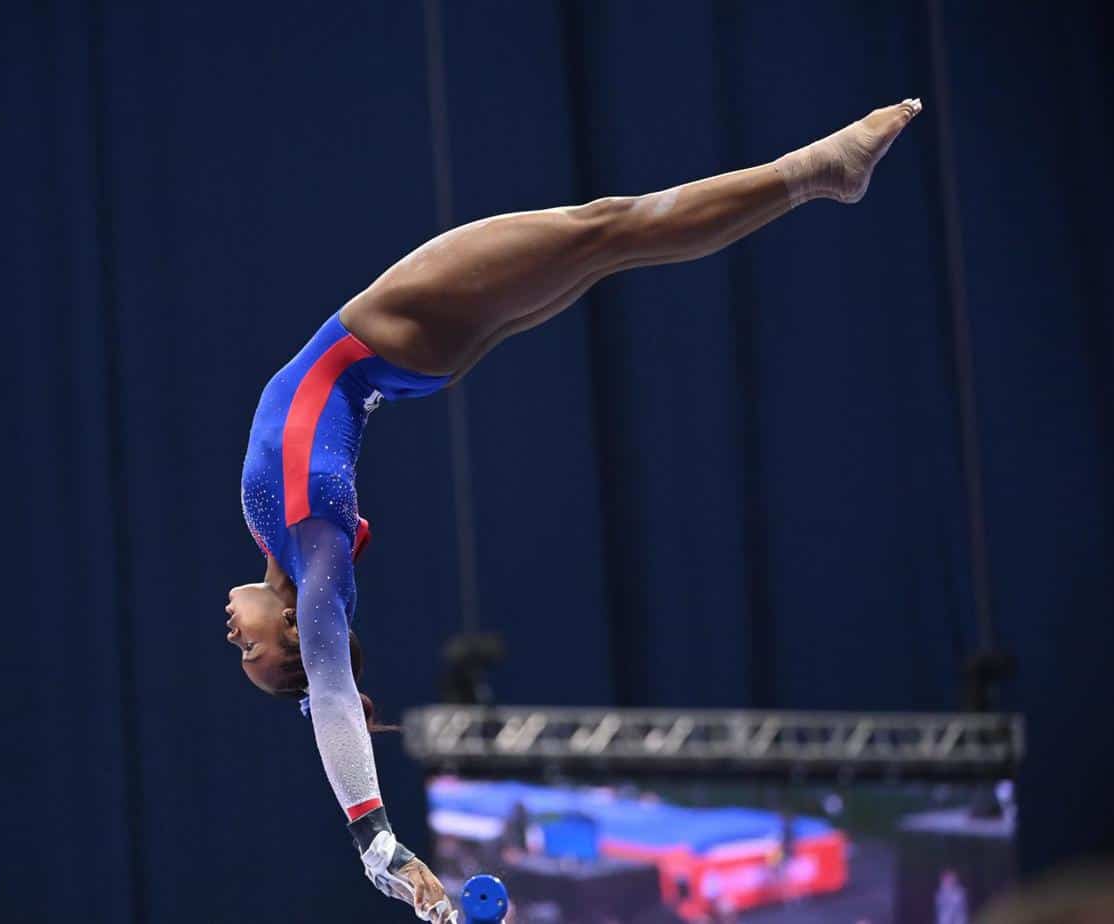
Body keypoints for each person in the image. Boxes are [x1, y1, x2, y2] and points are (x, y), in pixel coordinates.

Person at [229, 99, 923, 921]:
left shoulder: (281, 538)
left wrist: (319, 704)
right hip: (386, 337)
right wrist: (377, 841)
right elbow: (332, 685)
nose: (235, 639)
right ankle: (815, 174)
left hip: (399, 357)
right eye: (255, 653)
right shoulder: (314, 538)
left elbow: (323, 684)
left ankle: (816, 176)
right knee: (608, 228)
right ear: (294, 626)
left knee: (607, 243)